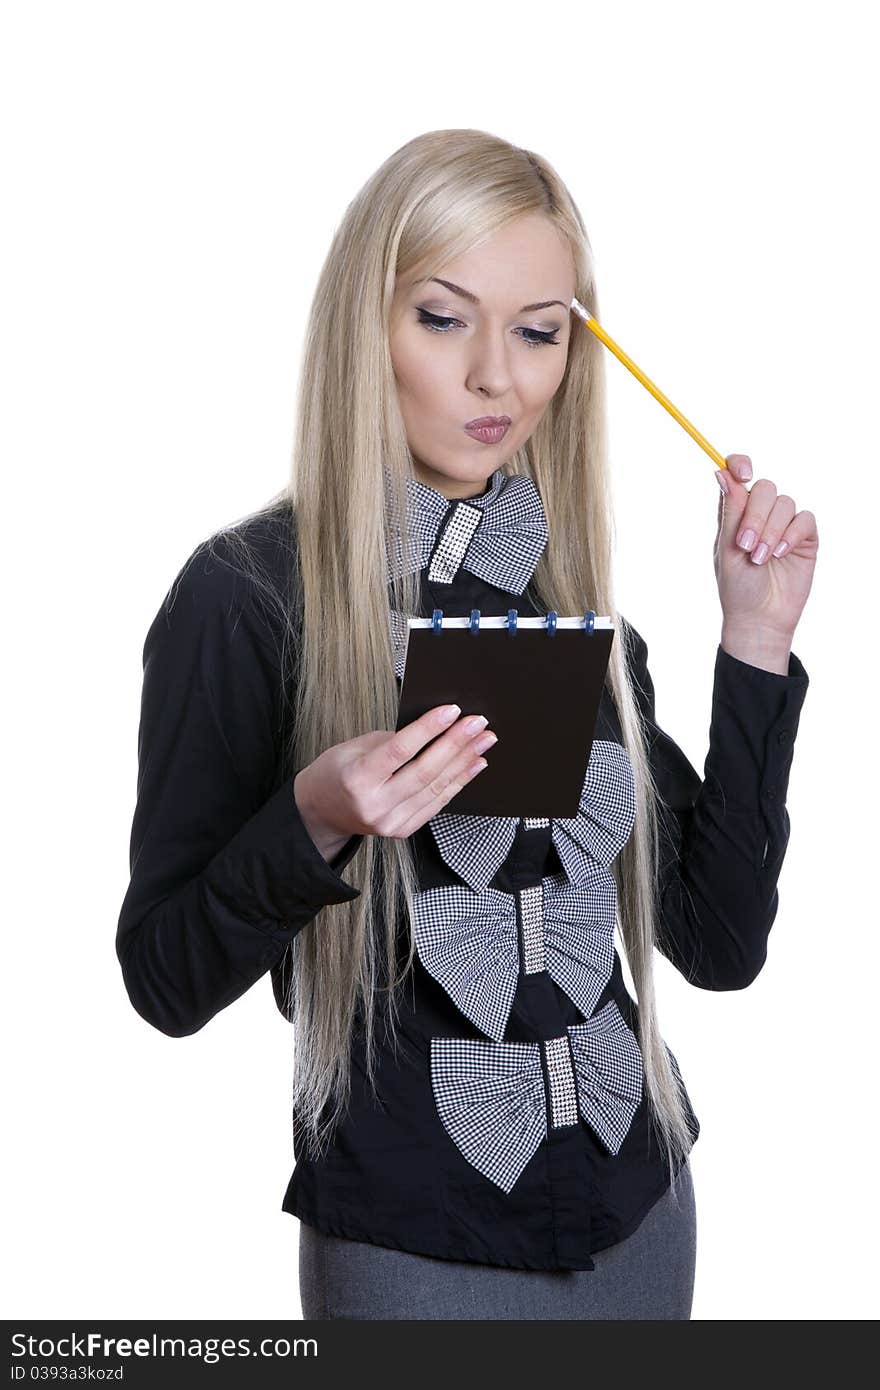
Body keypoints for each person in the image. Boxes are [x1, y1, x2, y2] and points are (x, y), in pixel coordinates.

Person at [115, 129, 816, 1320]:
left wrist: (754, 646)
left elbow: (720, 944)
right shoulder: (245, 596)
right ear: (365, 328)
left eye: (539, 330)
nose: (497, 376)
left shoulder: (580, 616)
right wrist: (316, 816)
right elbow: (164, 978)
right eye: (443, 319)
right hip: (409, 1243)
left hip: (641, 1216)